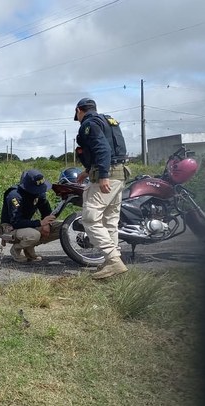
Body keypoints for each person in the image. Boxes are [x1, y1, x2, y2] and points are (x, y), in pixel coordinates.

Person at [73, 97, 129, 279]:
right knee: (110, 221)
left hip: (107, 176)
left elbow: (102, 149)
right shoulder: (108, 120)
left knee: (90, 219)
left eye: (77, 114)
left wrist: (103, 175)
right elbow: (112, 149)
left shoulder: (89, 124)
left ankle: (113, 260)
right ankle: (111, 262)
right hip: (120, 174)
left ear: (79, 110)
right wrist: (87, 170)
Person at [0, 169, 61, 262]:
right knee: (33, 235)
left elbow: (46, 212)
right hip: (9, 228)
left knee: (62, 228)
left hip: (26, 226)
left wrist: (46, 224)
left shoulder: (39, 194)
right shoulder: (15, 196)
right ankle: (16, 249)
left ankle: (28, 249)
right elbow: (16, 222)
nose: (40, 191)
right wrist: (40, 222)